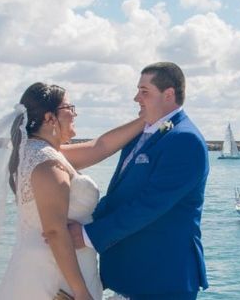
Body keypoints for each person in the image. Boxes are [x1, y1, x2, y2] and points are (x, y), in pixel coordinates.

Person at [69, 62, 209, 300]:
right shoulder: (142, 134)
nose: (136, 98)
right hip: (132, 276)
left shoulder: (186, 140)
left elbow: (149, 205)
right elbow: (120, 197)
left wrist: (88, 235)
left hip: (164, 277)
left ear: (169, 94)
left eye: (144, 92)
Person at [0, 82, 145, 300]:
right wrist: (80, 291)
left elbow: (100, 147)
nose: (75, 114)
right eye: (69, 108)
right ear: (50, 118)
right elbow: (55, 232)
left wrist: (146, 119)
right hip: (55, 277)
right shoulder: (47, 163)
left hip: (39, 266)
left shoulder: (37, 152)